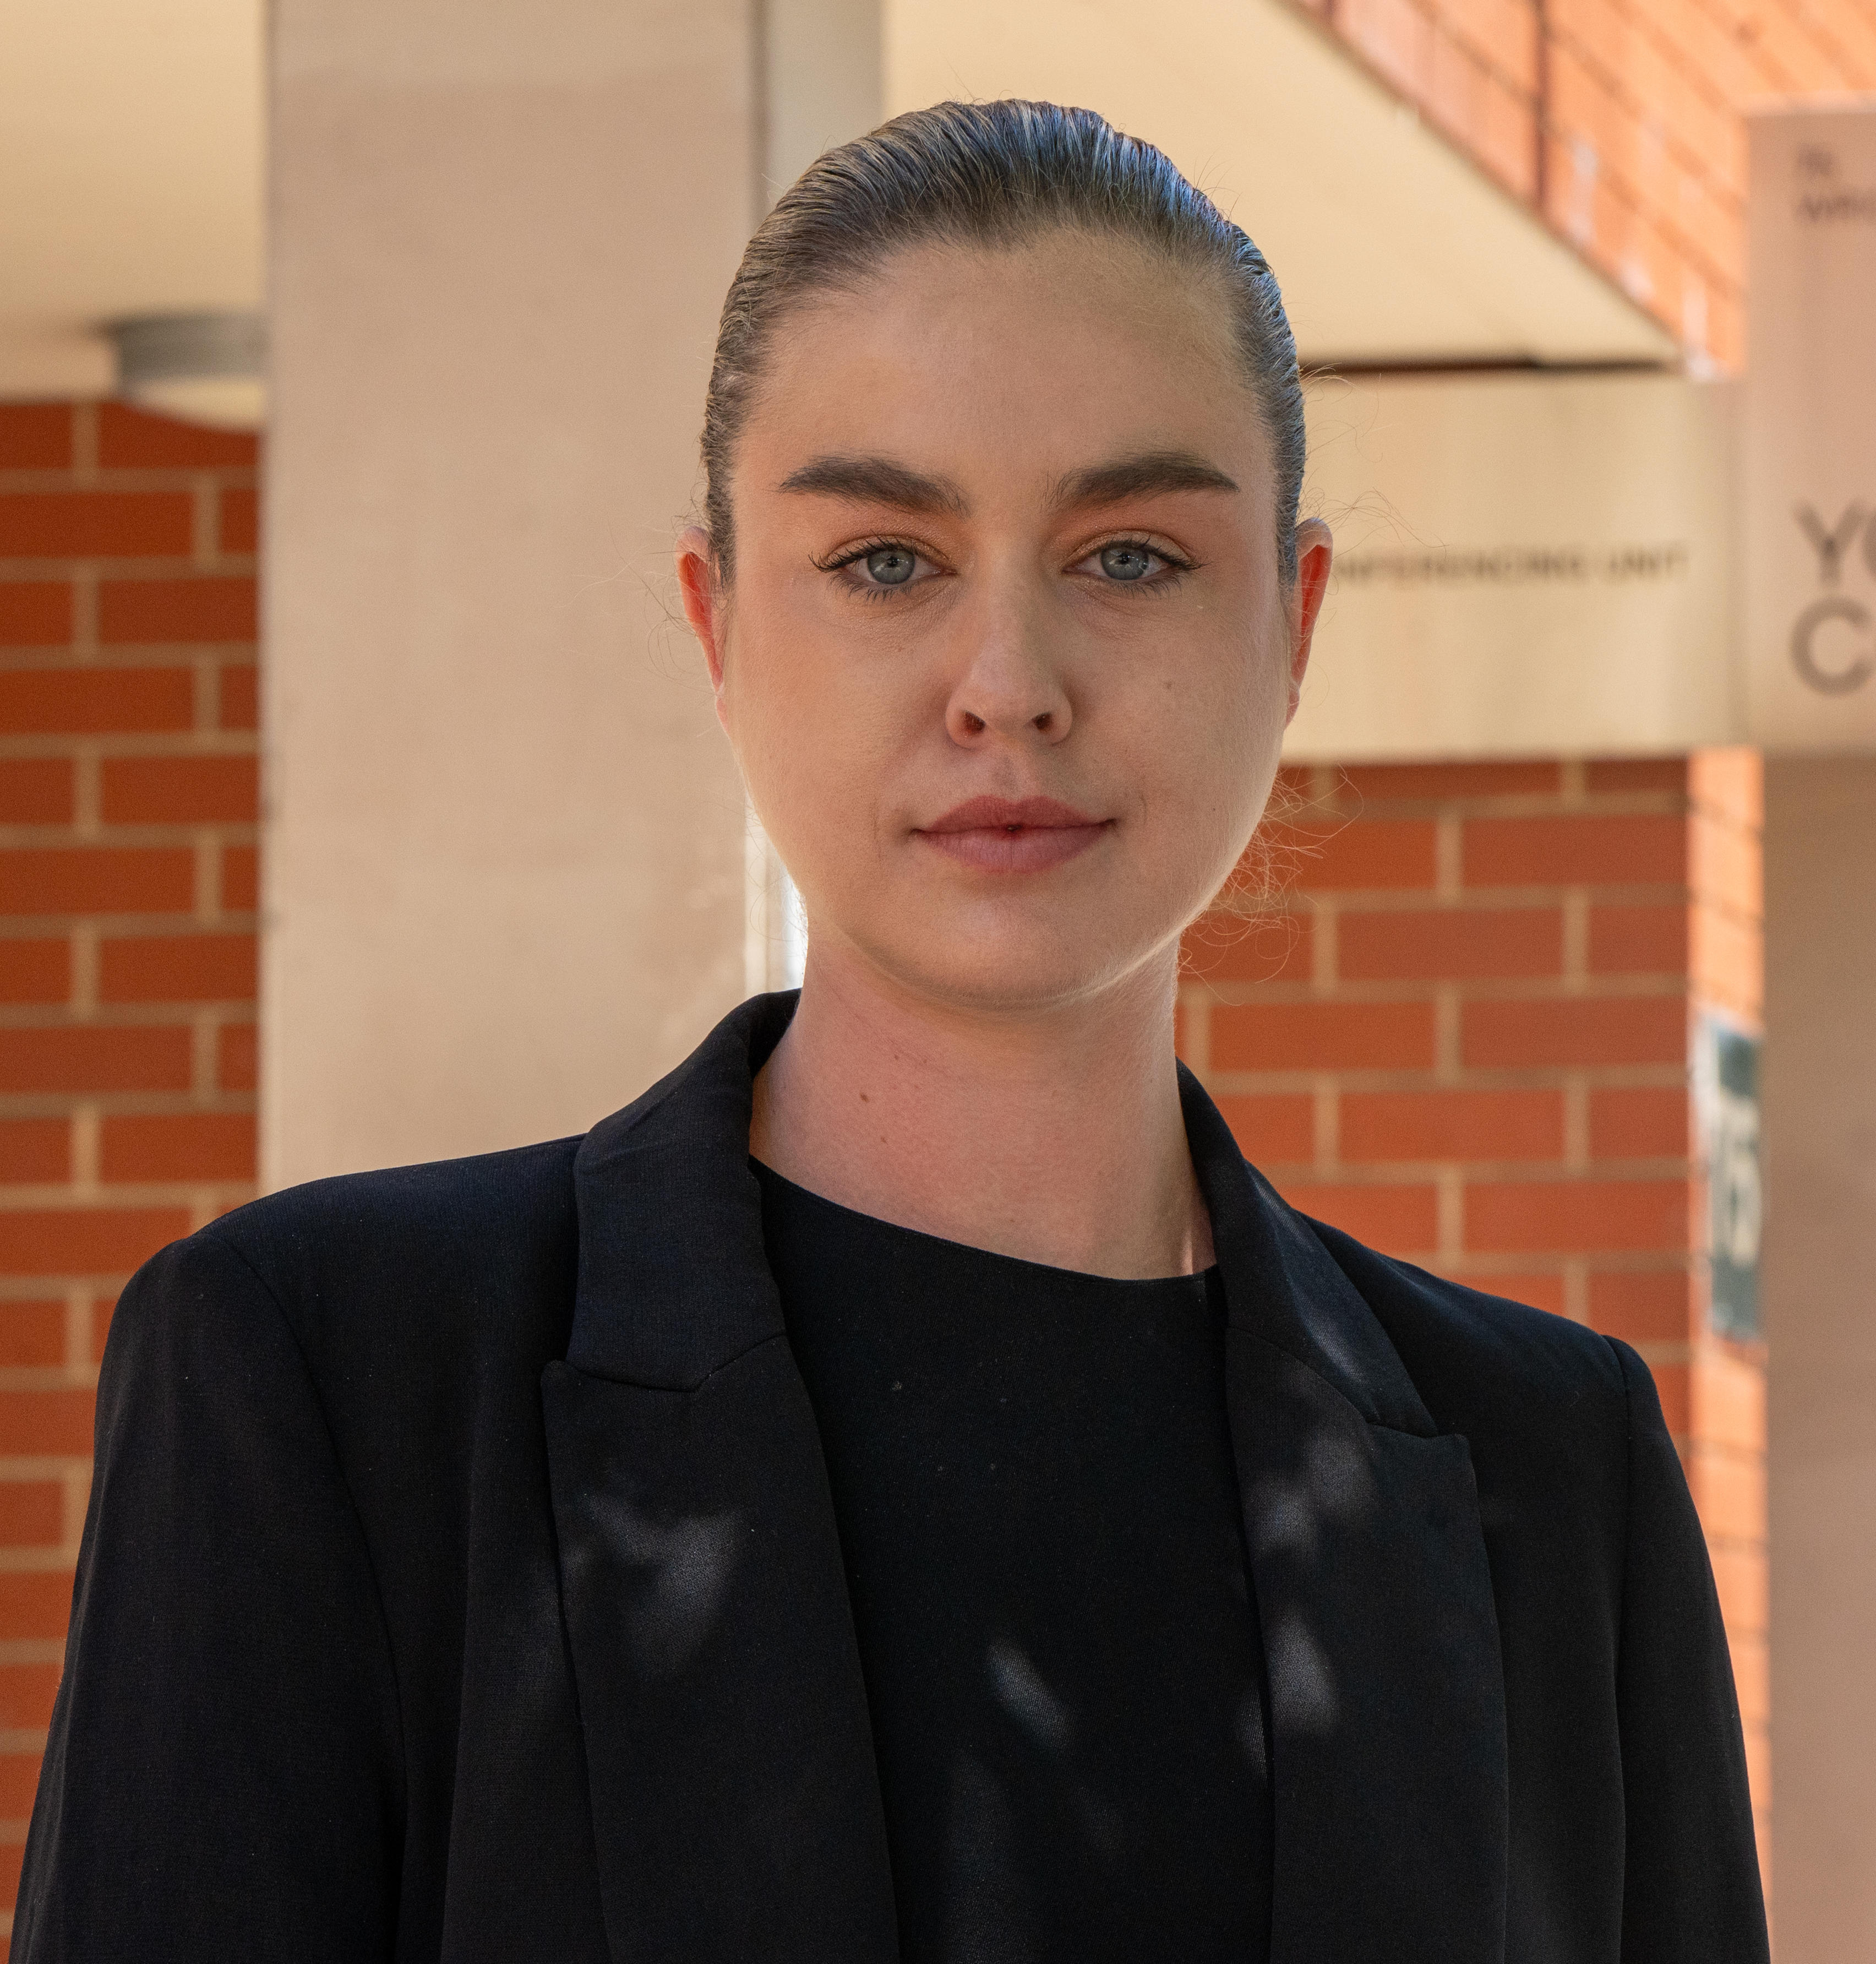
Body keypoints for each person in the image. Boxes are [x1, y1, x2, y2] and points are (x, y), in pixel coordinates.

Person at [11, 102, 1767, 1963]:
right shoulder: (330, 1382)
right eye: (883, 561)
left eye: (1133, 557)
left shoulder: (1550, 1469)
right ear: (717, 623)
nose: (1008, 688)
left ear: (1295, 618)